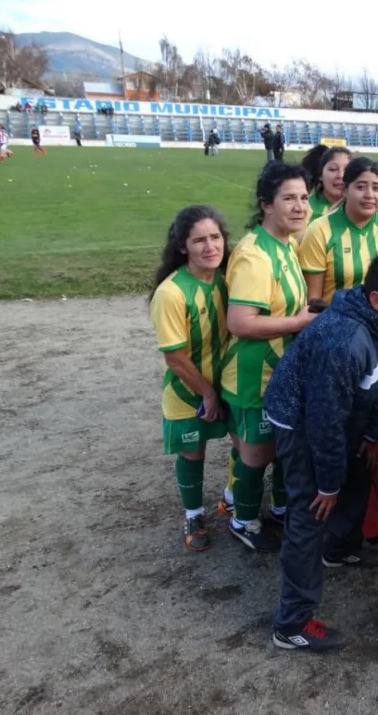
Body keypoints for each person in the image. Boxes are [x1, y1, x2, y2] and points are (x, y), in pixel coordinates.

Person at [267, 249, 378, 652]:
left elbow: (377, 383)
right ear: (376, 300)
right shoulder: (343, 342)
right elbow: (322, 423)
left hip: (342, 418)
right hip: (304, 426)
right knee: (310, 513)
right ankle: (291, 623)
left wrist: (373, 434)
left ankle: (338, 550)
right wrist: (326, 483)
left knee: (357, 473)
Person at [219, 162, 318, 552]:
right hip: (253, 373)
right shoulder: (254, 255)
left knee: (280, 447)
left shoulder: (287, 244)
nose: (299, 207)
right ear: (266, 204)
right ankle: (242, 520)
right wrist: (299, 322)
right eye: (288, 198)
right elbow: (241, 323)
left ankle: (274, 508)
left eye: (304, 198)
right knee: (257, 453)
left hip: (280, 372)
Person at [148, 206, 231, 551]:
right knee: (193, 452)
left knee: (242, 442)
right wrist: (207, 394)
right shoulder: (172, 293)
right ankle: (193, 514)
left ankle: (231, 497)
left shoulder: (226, 280)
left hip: (227, 384)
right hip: (189, 391)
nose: (210, 246)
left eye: (215, 237)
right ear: (183, 246)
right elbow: (175, 357)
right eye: (199, 240)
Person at [299, 157, 378, 304]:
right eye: (360, 187)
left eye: (376, 188)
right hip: (338, 321)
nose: (369, 195)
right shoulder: (320, 230)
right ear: (345, 190)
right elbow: (314, 299)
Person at [299, 145, 352, 224]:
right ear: (320, 175)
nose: (341, 175)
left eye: (347, 169)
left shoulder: (365, 208)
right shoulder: (303, 208)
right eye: (333, 169)